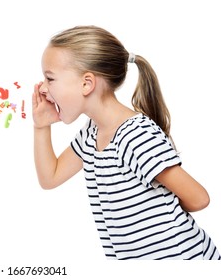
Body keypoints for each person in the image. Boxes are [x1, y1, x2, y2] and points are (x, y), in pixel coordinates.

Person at [32, 25, 220, 260]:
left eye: (50, 78)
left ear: (86, 83)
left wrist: (156, 220)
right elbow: (51, 177)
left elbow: (199, 198)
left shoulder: (135, 135)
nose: (42, 87)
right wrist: (41, 126)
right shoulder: (92, 134)